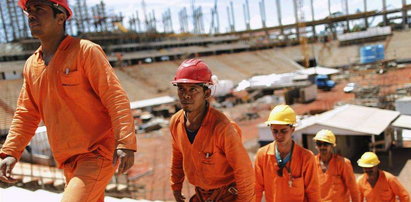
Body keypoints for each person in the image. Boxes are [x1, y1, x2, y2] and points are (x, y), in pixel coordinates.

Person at [0, 0, 137, 201]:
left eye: (39, 9)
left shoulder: (85, 51)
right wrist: (10, 151)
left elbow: (114, 96)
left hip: (96, 154)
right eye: (29, 10)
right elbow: (26, 113)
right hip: (66, 160)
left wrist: (125, 143)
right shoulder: (32, 65)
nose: (31, 14)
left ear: (61, 17)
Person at [169, 59, 255, 202]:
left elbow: (244, 171)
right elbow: (178, 157)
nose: (186, 95)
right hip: (202, 195)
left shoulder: (222, 127)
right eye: (181, 89)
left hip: (227, 194)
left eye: (193, 89)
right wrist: (176, 187)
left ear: (206, 93)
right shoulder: (176, 122)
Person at [254, 104, 320, 202]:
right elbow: (256, 189)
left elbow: (313, 193)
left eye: (283, 131)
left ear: (292, 129)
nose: (279, 135)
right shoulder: (262, 155)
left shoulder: (306, 157)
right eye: (275, 131)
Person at [313, 129, 360, 202]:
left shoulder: (343, 163)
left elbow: (353, 189)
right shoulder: (312, 163)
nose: (322, 147)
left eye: (325, 144)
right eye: (319, 144)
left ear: (332, 146)